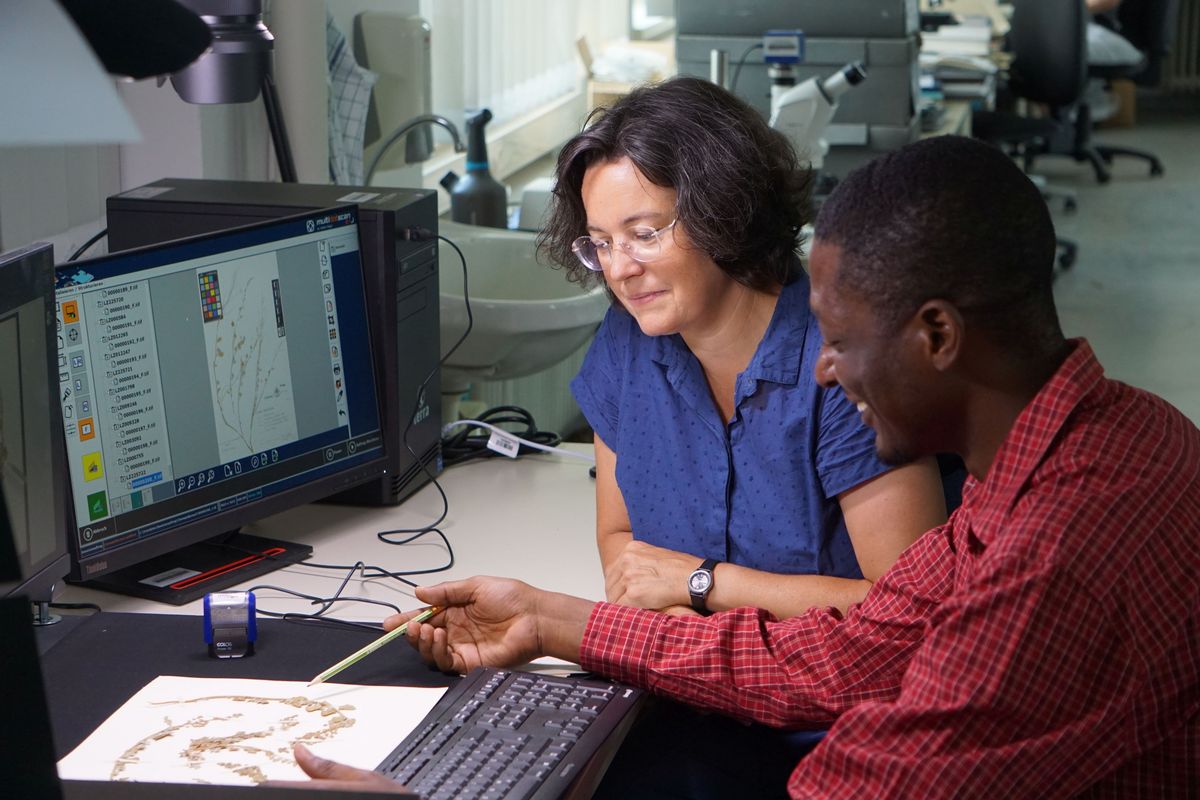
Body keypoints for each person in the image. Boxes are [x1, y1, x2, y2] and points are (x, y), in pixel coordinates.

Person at [292, 136, 1200, 796]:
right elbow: (864, 647)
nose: (823, 367)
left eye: (840, 341)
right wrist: (556, 620)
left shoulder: (1053, 559)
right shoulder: (1097, 438)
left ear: (937, 336)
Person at [543, 76, 947, 624]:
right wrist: (683, 636)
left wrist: (700, 582)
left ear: (723, 211)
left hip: (832, 695)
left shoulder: (845, 361)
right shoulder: (627, 342)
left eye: (644, 234)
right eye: (602, 243)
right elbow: (622, 543)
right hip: (690, 672)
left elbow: (910, 609)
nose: (619, 269)